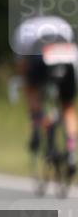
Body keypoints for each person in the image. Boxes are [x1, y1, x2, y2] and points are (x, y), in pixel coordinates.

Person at [13, 14, 77, 176]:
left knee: (31, 89)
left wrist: (27, 83)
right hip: (67, 57)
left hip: (40, 56)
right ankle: (71, 151)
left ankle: (36, 124)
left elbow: (22, 66)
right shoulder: (61, 23)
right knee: (68, 106)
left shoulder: (23, 30)